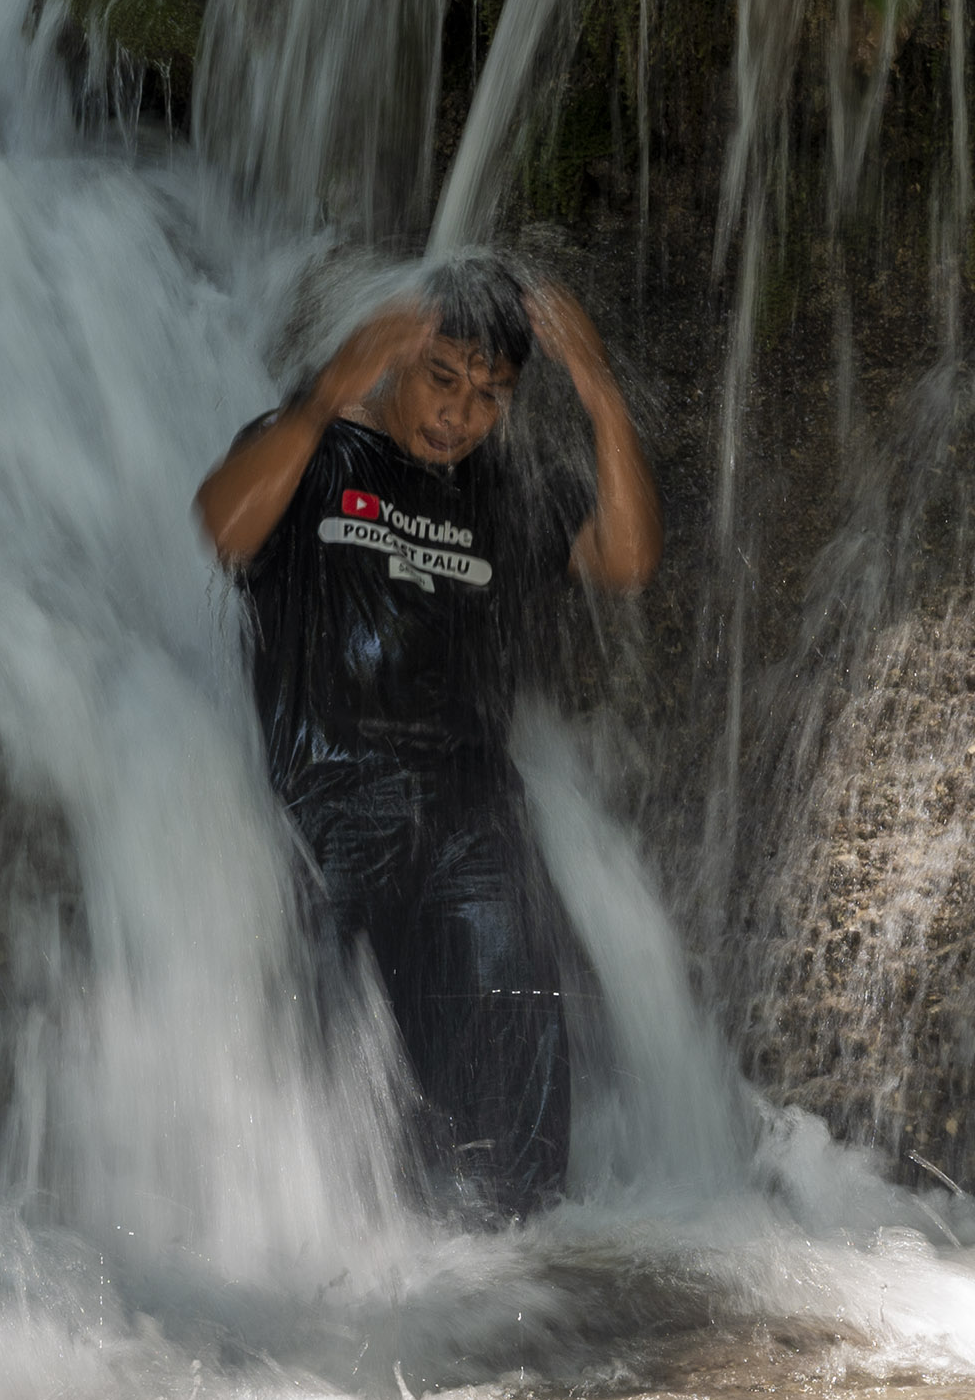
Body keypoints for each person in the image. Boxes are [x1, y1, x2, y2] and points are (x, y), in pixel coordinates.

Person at [195, 253, 660, 1214]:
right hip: (327, 796)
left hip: (472, 811)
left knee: (514, 1052)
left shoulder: (508, 492)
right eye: (442, 380)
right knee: (329, 1058)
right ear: (397, 362)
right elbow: (224, 524)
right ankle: (314, 1233)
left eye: (487, 396)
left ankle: (516, 1269)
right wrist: (328, 387)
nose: (458, 413)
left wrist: (600, 392)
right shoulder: (315, 454)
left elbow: (627, 556)